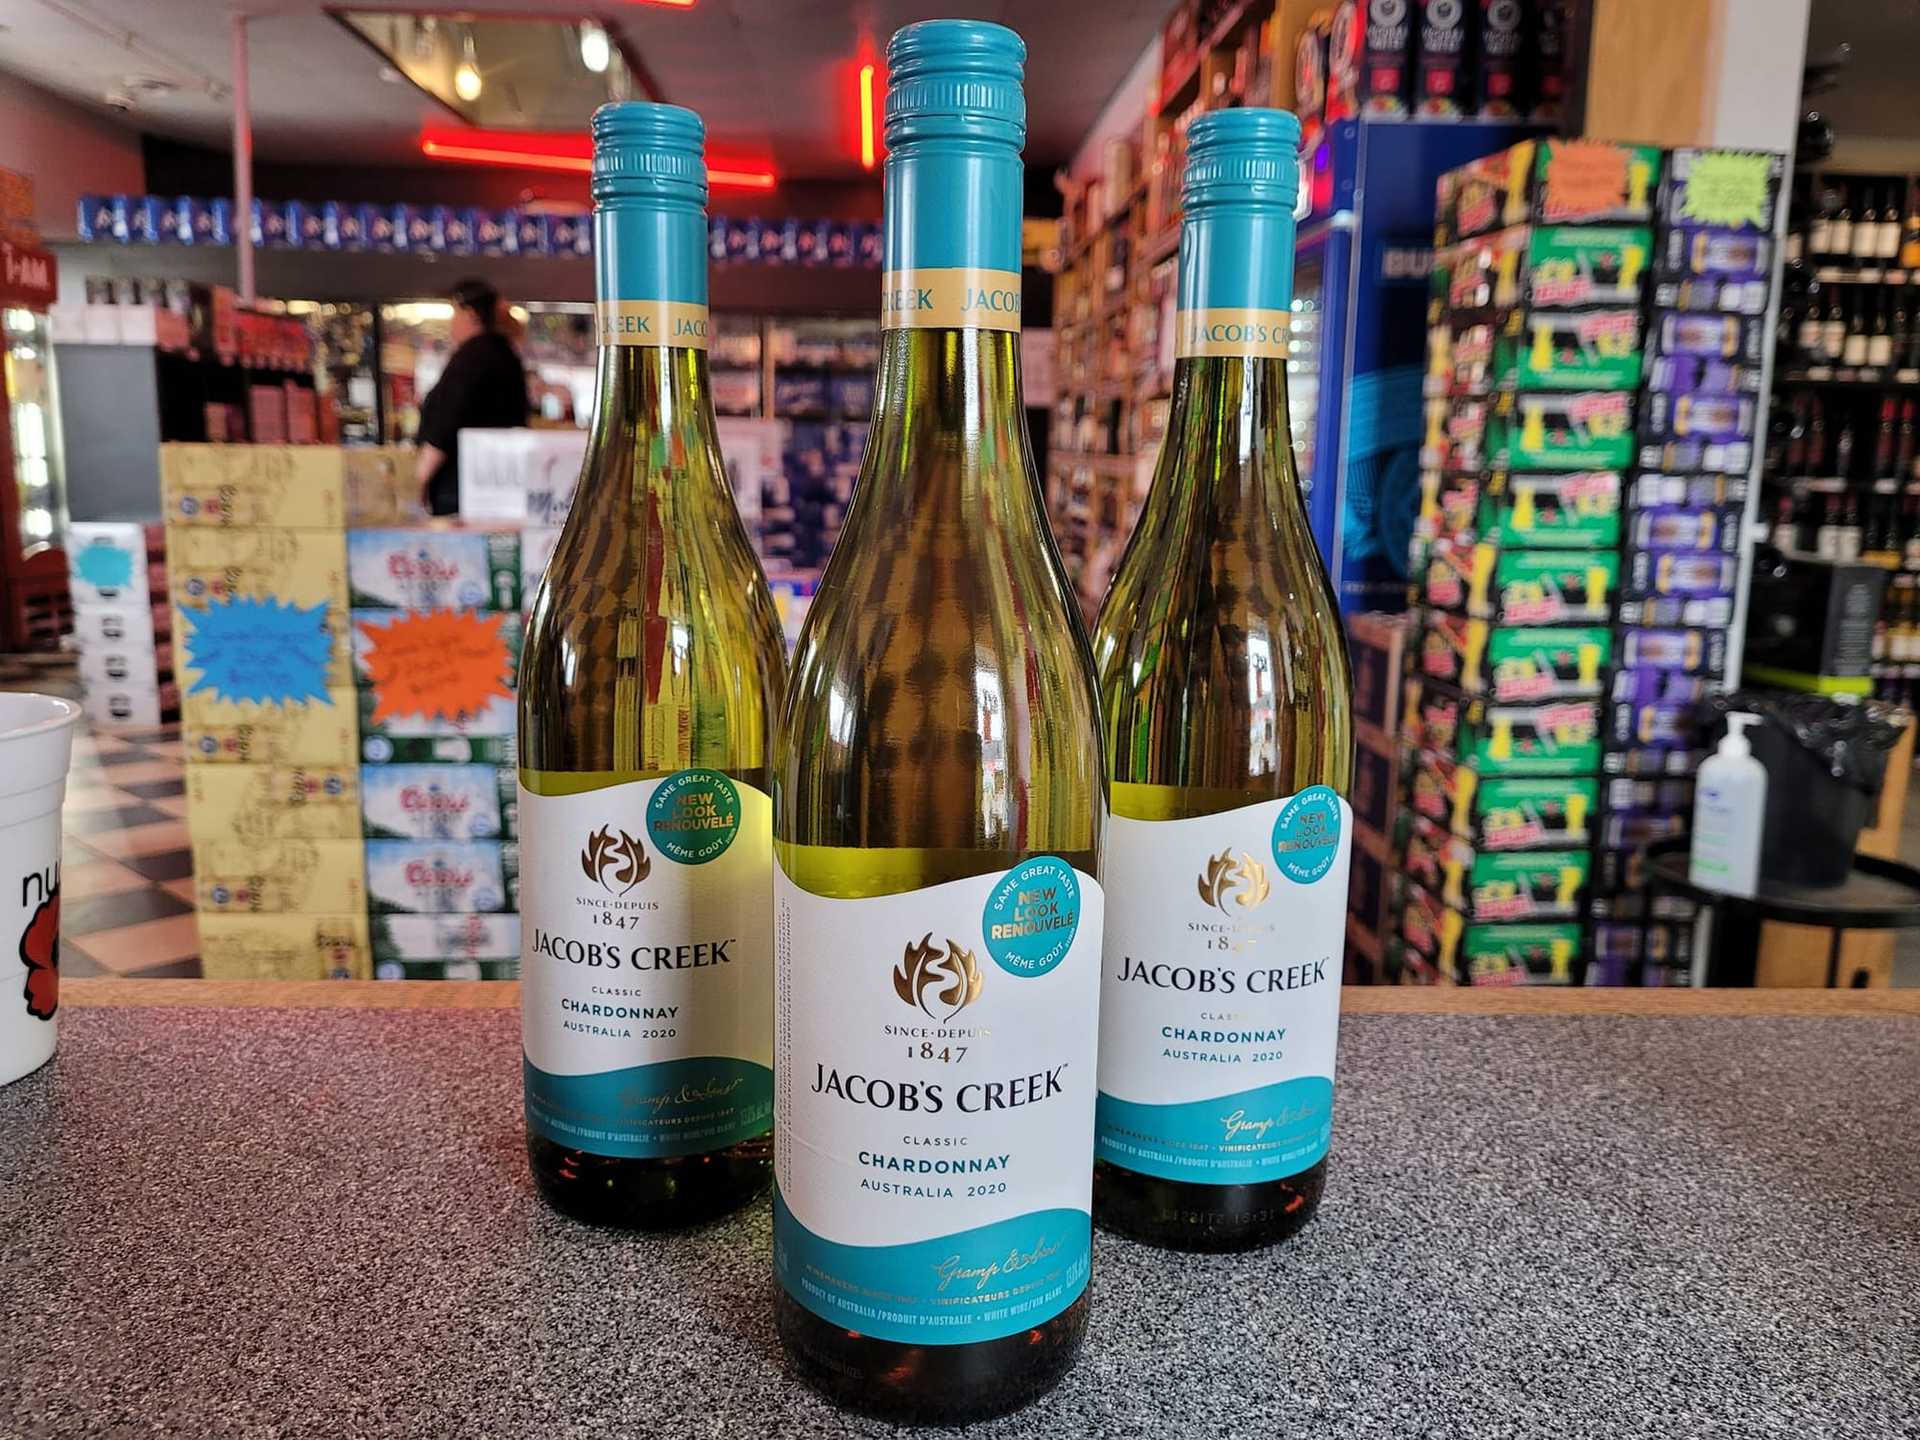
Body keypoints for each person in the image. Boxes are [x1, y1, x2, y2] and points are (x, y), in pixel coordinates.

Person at [414, 278, 531, 515]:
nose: (451, 323)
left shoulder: (473, 357)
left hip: (462, 488)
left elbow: (447, 420)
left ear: (470, 313)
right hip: (501, 486)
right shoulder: (505, 354)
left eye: (454, 313)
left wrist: (420, 478)